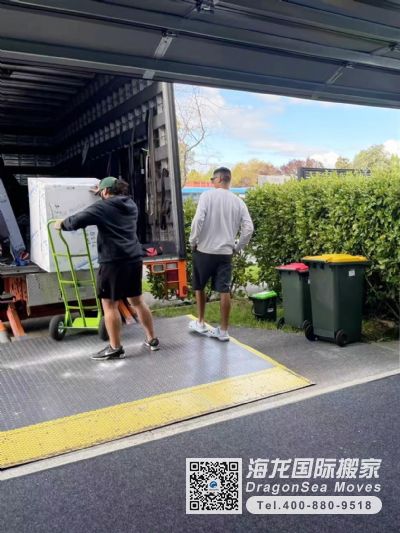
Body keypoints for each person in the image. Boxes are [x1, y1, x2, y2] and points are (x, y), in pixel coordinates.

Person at [55, 176, 159, 360]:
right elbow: (110, 205)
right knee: (137, 301)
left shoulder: (102, 207)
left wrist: (62, 224)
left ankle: (115, 347)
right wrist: (103, 193)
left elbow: (78, 220)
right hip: (134, 258)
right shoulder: (131, 205)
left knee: (110, 305)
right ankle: (152, 339)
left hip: (113, 261)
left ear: (105, 191)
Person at [189, 167, 254, 341]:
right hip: (225, 252)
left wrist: (193, 241)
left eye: (212, 179)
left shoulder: (207, 196)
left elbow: (198, 220)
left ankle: (200, 322)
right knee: (224, 290)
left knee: (199, 286)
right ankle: (224, 331)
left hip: (204, 250)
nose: (211, 182)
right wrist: (237, 247)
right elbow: (248, 228)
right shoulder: (238, 201)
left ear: (218, 179)